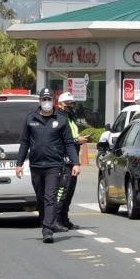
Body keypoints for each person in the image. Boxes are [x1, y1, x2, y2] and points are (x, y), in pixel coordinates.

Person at [16, 88, 80, 243]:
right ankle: (45, 220)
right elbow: (24, 142)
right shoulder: (30, 118)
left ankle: (48, 229)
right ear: (39, 101)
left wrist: (75, 163)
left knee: (50, 197)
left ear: (53, 101)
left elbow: (69, 143)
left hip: (54, 165)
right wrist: (19, 163)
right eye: (44, 99)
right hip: (36, 165)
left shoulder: (62, 119)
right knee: (41, 198)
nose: (46, 102)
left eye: (49, 99)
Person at [56, 92, 89, 230]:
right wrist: (76, 140)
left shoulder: (70, 118)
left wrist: (79, 138)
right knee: (62, 192)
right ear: (59, 104)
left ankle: (64, 219)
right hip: (63, 160)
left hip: (72, 159)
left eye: (72, 103)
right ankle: (55, 220)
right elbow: (60, 140)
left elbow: (72, 137)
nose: (70, 106)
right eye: (67, 103)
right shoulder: (58, 118)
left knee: (69, 192)